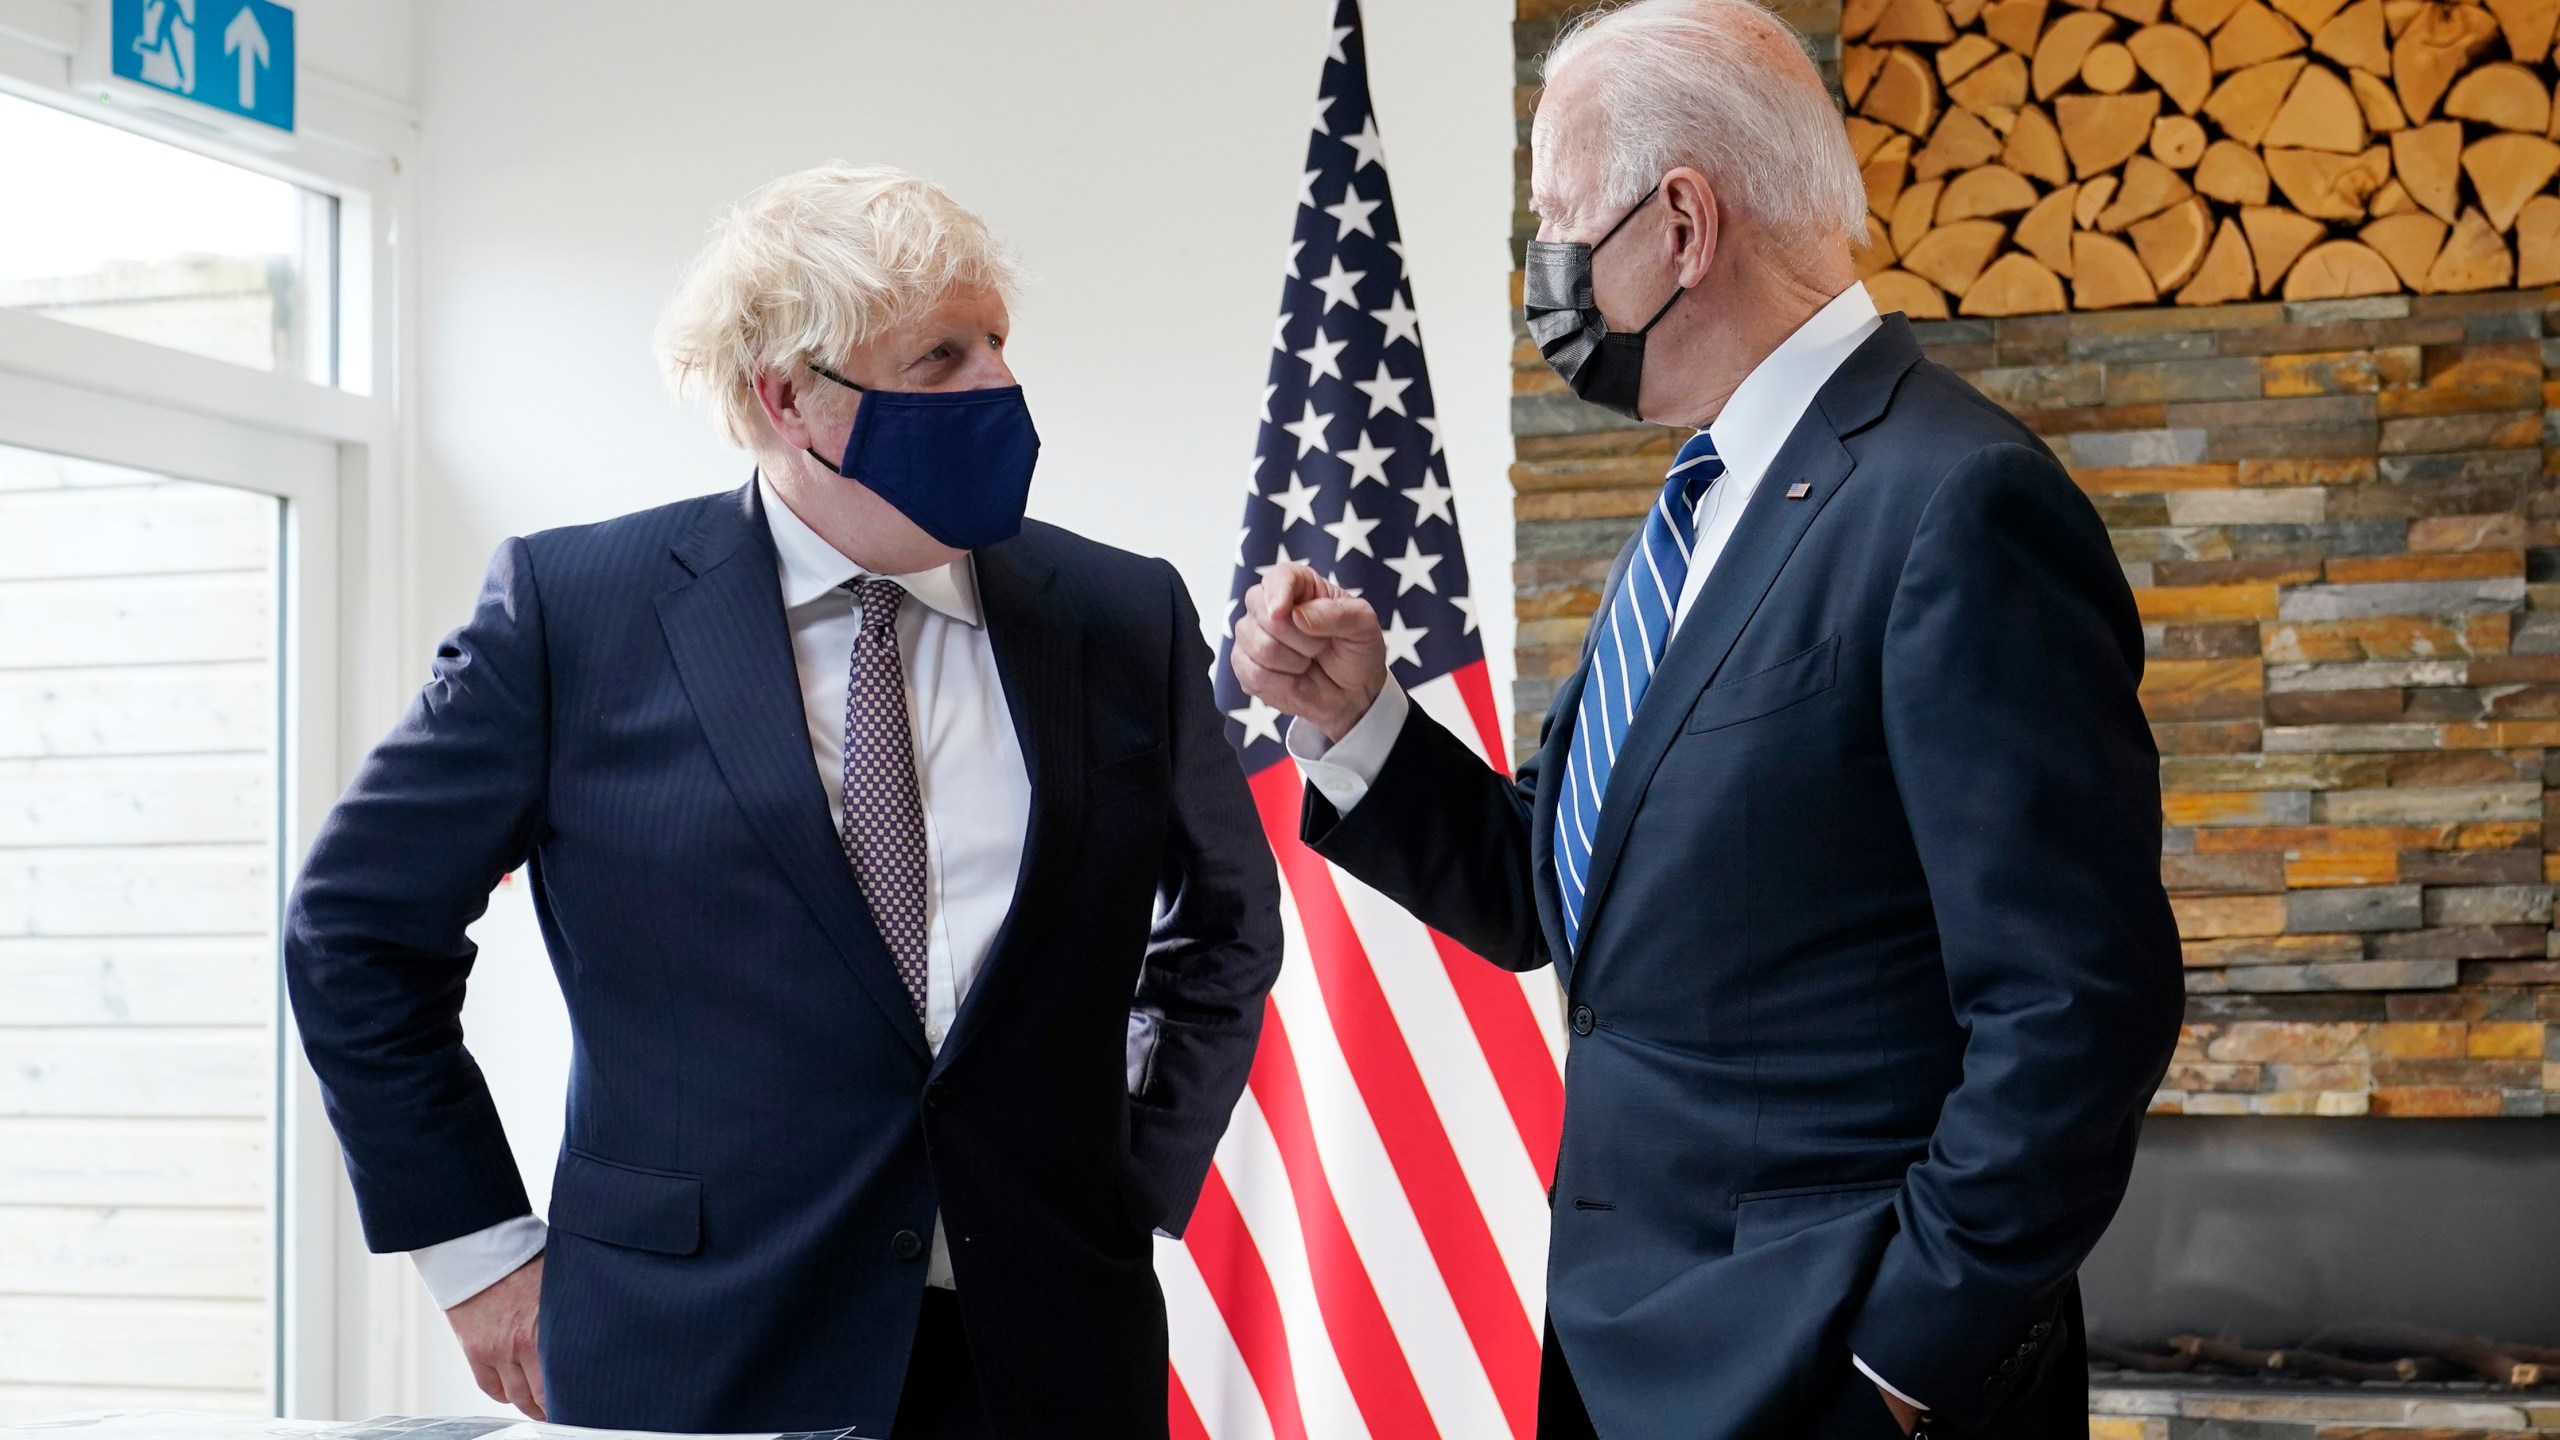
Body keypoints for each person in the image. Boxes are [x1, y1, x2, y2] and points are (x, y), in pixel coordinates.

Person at [1231, 4, 2185, 1438]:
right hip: (1631, 1356)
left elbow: (2075, 1012)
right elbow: (1564, 897)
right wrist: (1360, 721)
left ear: (1681, 222)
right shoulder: (1709, 503)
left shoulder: (1956, 502)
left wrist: (1903, 1365)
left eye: (1559, 219)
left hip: (1831, 1375)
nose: (1543, 267)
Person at [285, 164, 1283, 1439]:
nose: (996, 385)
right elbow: (354, 933)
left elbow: (1225, 929)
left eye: (997, 343)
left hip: (1044, 1351)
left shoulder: (1119, 613)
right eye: (939, 358)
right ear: (788, 396)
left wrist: (1121, 1177)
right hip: (690, 1353)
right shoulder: (573, 612)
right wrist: (476, 1254)